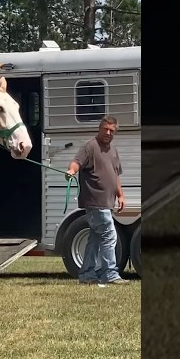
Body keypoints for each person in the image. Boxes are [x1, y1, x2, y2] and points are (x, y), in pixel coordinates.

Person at [66, 115, 128, 286]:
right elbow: (76, 163)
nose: (108, 133)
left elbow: (115, 175)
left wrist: (120, 195)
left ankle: (86, 274)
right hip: (94, 201)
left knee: (95, 237)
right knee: (109, 234)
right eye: (105, 129)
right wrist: (71, 171)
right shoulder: (90, 146)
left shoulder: (113, 150)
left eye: (112, 131)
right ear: (100, 128)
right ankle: (110, 274)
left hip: (107, 202)